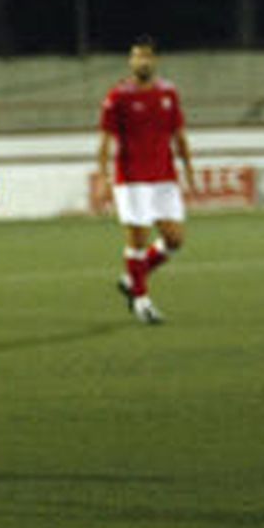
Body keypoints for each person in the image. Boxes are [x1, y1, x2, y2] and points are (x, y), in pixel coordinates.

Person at [94, 36, 197, 325]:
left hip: (164, 177)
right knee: (138, 241)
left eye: (147, 57)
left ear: (155, 61)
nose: (142, 62)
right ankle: (141, 300)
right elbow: (105, 140)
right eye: (137, 56)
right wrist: (103, 176)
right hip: (132, 179)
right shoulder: (118, 96)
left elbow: (179, 134)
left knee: (175, 239)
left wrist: (189, 168)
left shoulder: (168, 93)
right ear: (130, 61)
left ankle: (132, 277)